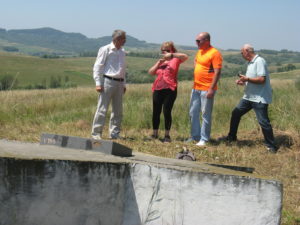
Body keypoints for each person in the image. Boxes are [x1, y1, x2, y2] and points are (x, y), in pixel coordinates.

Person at [220, 44, 278, 153]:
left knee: (263, 122)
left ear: (247, 51)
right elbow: (252, 80)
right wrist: (243, 82)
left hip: (259, 98)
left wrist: (247, 79)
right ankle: (231, 137)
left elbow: (262, 80)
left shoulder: (259, 61)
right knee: (235, 113)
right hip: (248, 97)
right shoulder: (250, 63)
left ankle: (271, 146)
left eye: (242, 52)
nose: (241, 54)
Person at [187, 32, 223, 146]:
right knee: (193, 112)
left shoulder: (215, 53)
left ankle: (204, 138)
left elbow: (217, 72)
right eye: (196, 41)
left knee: (205, 114)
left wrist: (211, 89)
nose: (196, 43)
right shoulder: (200, 51)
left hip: (207, 88)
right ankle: (195, 136)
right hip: (196, 87)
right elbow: (196, 61)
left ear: (207, 40)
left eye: (199, 41)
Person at [148, 41, 188, 142]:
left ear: (172, 50)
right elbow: (151, 72)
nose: (165, 52)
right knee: (156, 112)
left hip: (170, 89)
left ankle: (167, 135)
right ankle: (155, 134)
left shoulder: (175, 59)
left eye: (167, 50)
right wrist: (158, 63)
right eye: (163, 50)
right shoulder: (161, 61)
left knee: (167, 111)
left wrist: (172, 55)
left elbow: (185, 56)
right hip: (157, 88)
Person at [91, 30, 126, 140]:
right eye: (122, 39)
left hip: (119, 82)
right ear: (116, 39)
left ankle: (114, 134)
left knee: (118, 110)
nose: (124, 41)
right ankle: (96, 134)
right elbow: (98, 66)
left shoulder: (122, 51)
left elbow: (123, 69)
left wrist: (124, 83)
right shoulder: (105, 49)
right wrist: (98, 83)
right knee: (102, 109)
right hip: (108, 81)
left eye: (124, 39)